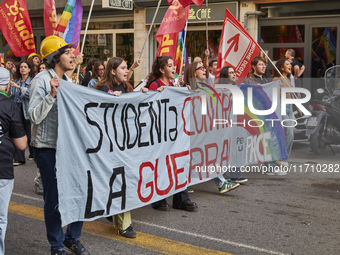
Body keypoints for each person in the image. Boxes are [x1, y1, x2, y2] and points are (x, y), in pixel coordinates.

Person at [28, 35, 91, 255]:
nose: (72, 55)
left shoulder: (67, 80)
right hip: (47, 148)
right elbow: (33, 116)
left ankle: (71, 237)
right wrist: (51, 95)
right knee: (54, 199)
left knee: (82, 193)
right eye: (66, 53)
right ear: (55, 57)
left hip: (69, 148)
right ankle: (56, 245)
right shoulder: (41, 81)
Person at [145, 55, 198, 210]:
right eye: (169, 65)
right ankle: (159, 199)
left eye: (173, 65)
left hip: (174, 132)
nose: (173, 68)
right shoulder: (155, 85)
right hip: (160, 133)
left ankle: (181, 199)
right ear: (161, 69)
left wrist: (184, 91)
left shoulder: (172, 84)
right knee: (162, 164)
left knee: (179, 162)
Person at [94, 57, 137, 238]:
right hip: (109, 144)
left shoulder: (126, 87)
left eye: (127, 68)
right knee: (118, 181)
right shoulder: (103, 89)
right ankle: (124, 225)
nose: (127, 71)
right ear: (113, 71)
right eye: (124, 68)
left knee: (119, 181)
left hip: (124, 142)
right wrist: (109, 99)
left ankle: (112, 211)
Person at [184, 61, 241, 193]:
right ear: (193, 72)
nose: (204, 70)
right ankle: (184, 182)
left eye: (204, 68)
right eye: (201, 68)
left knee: (208, 154)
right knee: (190, 156)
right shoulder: (185, 88)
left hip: (204, 129)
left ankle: (221, 182)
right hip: (190, 129)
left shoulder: (206, 88)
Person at [0, 67, 28, 255]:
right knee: (0, 218)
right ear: (8, 85)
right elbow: (21, 144)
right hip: (2, 168)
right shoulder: (9, 105)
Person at [218, 66, 248, 184]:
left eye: (234, 72)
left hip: (237, 123)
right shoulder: (222, 90)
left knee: (237, 148)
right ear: (226, 76)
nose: (234, 74)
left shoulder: (237, 89)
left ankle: (235, 175)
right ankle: (224, 174)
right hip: (226, 124)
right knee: (226, 149)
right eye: (231, 73)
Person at [266, 58, 294, 175]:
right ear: (281, 67)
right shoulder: (276, 79)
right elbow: (275, 95)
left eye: (290, 64)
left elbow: (291, 94)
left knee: (291, 133)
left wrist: (297, 108)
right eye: (287, 64)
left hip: (289, 107)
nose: (290, 66)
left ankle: (282, 158)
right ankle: (280, 158)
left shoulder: (288, 79)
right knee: (285, 132)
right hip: (281, 107)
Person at [10, 60, 35, 166]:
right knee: (17, 132)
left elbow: (31, 94)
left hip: (28, 109)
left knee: (29, 134)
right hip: (17, 109)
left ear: (29, 69)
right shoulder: (15, 80)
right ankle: (19, 158)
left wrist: (19, 87)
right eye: (21, 67)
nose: (23, 69)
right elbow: (11, 96)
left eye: (25, 67)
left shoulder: (33, 81)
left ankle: (33, 154)